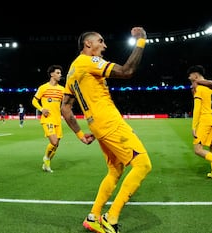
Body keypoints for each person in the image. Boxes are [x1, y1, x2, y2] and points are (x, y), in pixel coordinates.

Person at [61, 27, 152, 233]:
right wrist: (141, 41)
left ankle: (93, 215)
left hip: (97, 124)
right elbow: (126, 71)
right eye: (100, 41)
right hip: (108, 121)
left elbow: (65, 107)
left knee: (115, 170)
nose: (104, 45)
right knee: (142, 165)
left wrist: (79, 134)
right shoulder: (87, 61)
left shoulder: (72, 70)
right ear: (88, 45)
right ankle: (110, 219)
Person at [32, 65, 64, 173]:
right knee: (54, 142)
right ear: (52, 74)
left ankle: (46, 164)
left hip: (58, 120)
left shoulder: (62, 89)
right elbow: (34, 101)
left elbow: (65, 104)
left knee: (56, 145)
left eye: (60, 73)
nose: (60, 75)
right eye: (58, 73)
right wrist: (41, 109)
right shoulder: (43, 88)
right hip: (47, 119)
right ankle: (46, 158)